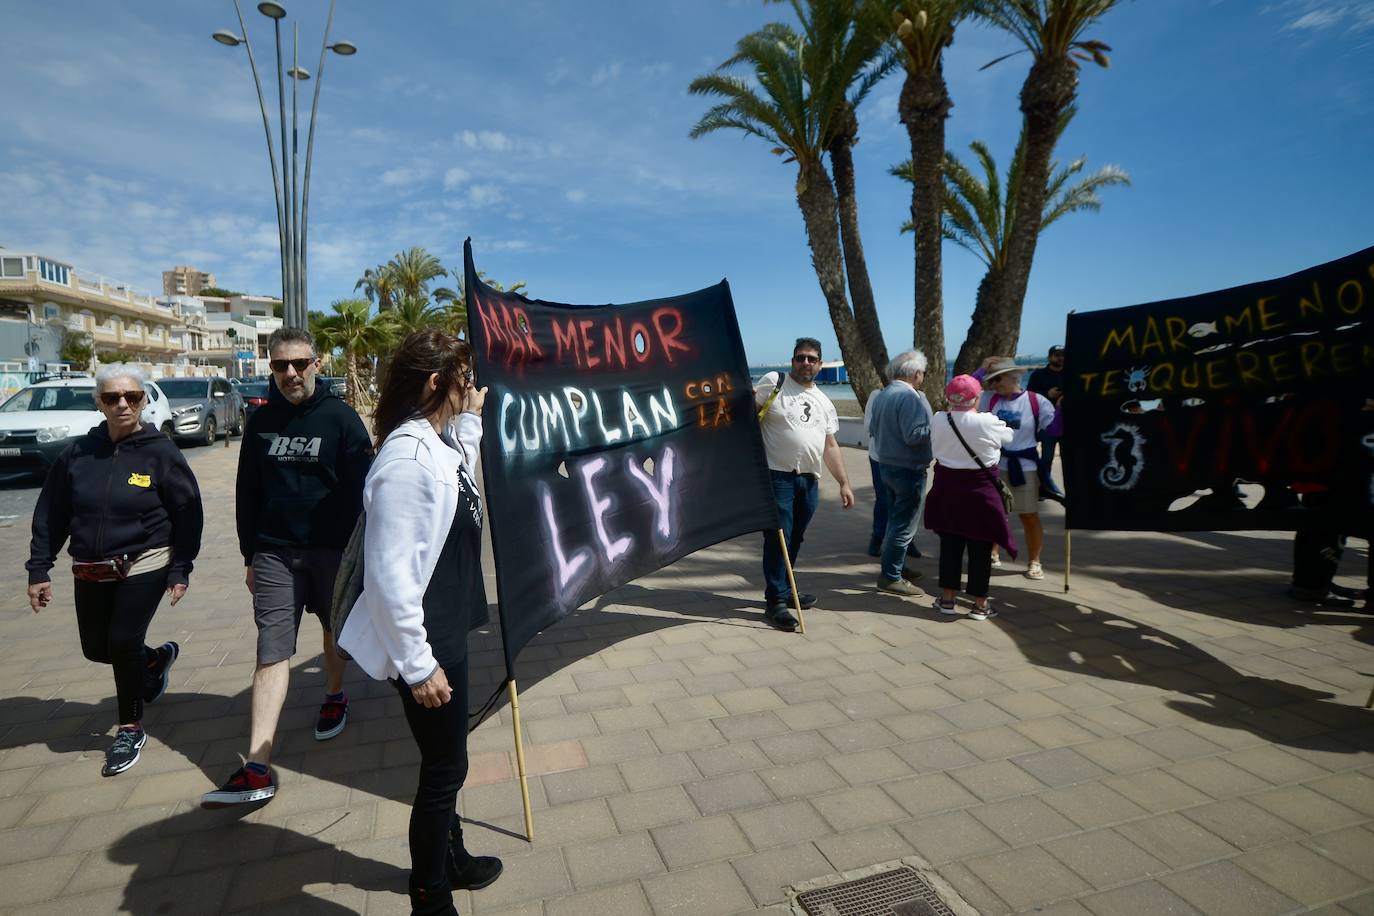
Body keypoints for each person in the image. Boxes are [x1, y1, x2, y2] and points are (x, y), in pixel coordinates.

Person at [337, 330, 502, 916]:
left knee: (448, 759)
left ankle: (451, 861)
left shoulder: (434, 442)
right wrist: (417, 665)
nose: (471, 383)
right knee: (445, 768)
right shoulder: (405, 460)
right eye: (464, 375)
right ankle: (429, 895)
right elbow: (387, 579)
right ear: (437, 382)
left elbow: (458, 470)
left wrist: (472, 420)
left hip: (446, 629)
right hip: (426, 643)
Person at [203, 328, 373, 807]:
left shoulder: (342, 420)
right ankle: (257, 765)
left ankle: (334, 693)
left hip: (332, 552)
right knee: (272, 648)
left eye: (300, 364)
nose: (291, 374)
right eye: (281, 366)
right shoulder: (261, 424)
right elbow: (247, 493)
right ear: (271, 369)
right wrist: (249, 556)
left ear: (317, 364)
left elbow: (366, 493)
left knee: (333, 630)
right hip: (275, 553)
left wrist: (363, 557)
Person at [26, 365, 202, 776]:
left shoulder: (161, 452)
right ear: (99, 403)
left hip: (146, 560)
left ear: (143, 400)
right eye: (112, 398)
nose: (123, 404)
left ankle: (129, 727)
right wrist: (39, 569)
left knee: (122, 641)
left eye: (132, 397)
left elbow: (188, 512)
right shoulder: (78, 454)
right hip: (90, 566)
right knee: (97, 648)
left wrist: (180, 569)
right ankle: (155, 661)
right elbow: (52, 514)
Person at [754, 337, 855, 631]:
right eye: (801, 358)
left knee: (795, 538)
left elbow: (831, 445)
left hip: (809, 479)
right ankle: (776, 602)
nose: (806, 363)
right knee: (778, 538)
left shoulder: (824, 401)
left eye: (812, 359)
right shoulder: (775, 381)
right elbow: (747, 415)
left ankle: (784, 588)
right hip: (777, 476)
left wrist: (844, 483)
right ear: (792, 360)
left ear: (820, 365)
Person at [925, 375, 1017, 619]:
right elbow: (1009, 437)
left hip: (947, 491)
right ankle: (980, 604)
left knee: (950, 546)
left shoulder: (938, 419)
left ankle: (947, 600)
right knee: (981, 548)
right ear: (977, 397)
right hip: (980, 493)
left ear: (948, 397)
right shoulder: (987, 421)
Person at [979, 358, 1060, 579]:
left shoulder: (1036, 401)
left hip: (1025, 467)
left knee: (1028, 515)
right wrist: (981, 370)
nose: (994, 384)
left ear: (1014, 377)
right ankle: (992, 553)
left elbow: (1053, 430)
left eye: (998, 379)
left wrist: (1062, 410)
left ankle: (1034, 561)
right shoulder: (989, 399)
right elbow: (962, 391)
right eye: (991, 380)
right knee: (995, 514)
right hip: (994, 465)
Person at [867, 351, 931, 597]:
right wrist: (936, 425)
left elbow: (872, 428)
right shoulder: (909, 397)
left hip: (887, 466)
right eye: (922, 374)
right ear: (916, 374)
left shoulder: (883, 394)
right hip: (907, 468)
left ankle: (897, 566)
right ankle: (891, 576)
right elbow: (914, 435)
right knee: (903, 525)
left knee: (895, 520)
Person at [1026, 345, 1066, 498]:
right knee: (1047, 457)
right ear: (1049, 357)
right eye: (1057, 355)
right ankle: (1044, 488)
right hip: (1046, 424)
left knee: (1068, 458)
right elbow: (1029, 395)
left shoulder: (1071, 373)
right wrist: (1047, 393)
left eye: (1063, 355)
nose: (1060, 358)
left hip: (1067, 423)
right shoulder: (1039, 374)